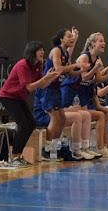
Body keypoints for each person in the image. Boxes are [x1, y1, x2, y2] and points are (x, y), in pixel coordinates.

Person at [0, 41, 59, 167]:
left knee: (31, 124)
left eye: (43, 49)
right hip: (8, 96)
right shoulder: (22, 65)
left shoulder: (37, 65)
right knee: (24, 125)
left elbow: (41, 85)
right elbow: (29, 88)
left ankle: (16, 153)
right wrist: (44, 78)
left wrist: (50, 78)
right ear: (32, 52)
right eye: (39, 50)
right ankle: (15, 156)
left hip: (18, 97)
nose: (42, 52)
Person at [40, 28, 81, 160]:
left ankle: (55, 146)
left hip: (56, 89)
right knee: (55, 118)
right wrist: (75, 64)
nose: (71, 39)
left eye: (72, 37)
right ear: (61, 39)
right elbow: (58, 70)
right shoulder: (56, 50)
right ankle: (46, 149)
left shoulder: (65, 53)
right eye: (69, 36)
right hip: (48, 88)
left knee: (62, 119)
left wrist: (83, 70)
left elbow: (70, 73)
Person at [33, 89, 95, 160]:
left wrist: (68, 109)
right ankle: (76, 150)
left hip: (56, 114)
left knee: (86, 114)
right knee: (76, 116)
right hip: (43, 116)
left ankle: (85, 148)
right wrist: (68, 110)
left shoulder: (56, 88)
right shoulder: (47, 88)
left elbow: (59, 108)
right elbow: (49, 110)